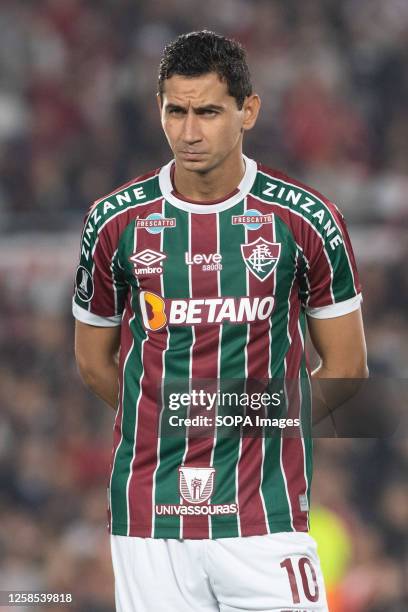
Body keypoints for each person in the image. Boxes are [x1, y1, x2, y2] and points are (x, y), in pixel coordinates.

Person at [73, 30, 368, 612]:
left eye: (208, 111)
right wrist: (164, 419)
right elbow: (91, 359)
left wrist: (253, 421)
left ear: (248, 110)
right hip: (150, 519)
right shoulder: (115, 223)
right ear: (159, 110)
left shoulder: (305, 219)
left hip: (267, 515)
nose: (189, 131)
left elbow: (348, 366)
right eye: (175, 111)